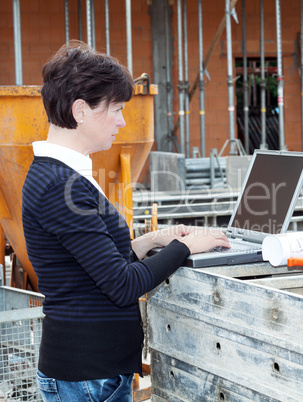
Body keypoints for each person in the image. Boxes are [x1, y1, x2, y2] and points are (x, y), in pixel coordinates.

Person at [22, 40, 230, 402]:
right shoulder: (60, 186)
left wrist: (152, 241)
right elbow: (120, 284)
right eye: (116, 109)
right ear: (81, 110)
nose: (122, 121)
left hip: (89, 372)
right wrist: (184, 247)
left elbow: (91, 265)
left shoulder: (59, 174)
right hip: (87, 376)